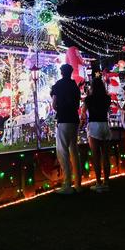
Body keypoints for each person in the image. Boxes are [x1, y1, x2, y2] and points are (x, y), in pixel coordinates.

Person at [50, 63, 82, 194]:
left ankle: (67, 183)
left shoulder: (58, 85)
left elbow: (54, 104)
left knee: (62, 151)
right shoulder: (75, 85)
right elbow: (78, 104)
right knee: (74, 150)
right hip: (74, 119)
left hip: (63, 120)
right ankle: (78, 184)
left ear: (62, 72)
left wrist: (59, 108)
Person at [81, 77, 112, 192]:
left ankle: (98, 182)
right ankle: (107, 182)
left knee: (96, 156)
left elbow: (83, 112)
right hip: (104, 125)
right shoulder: (106, 98)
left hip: (94, 125)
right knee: (105, 156)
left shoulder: (89, 99)